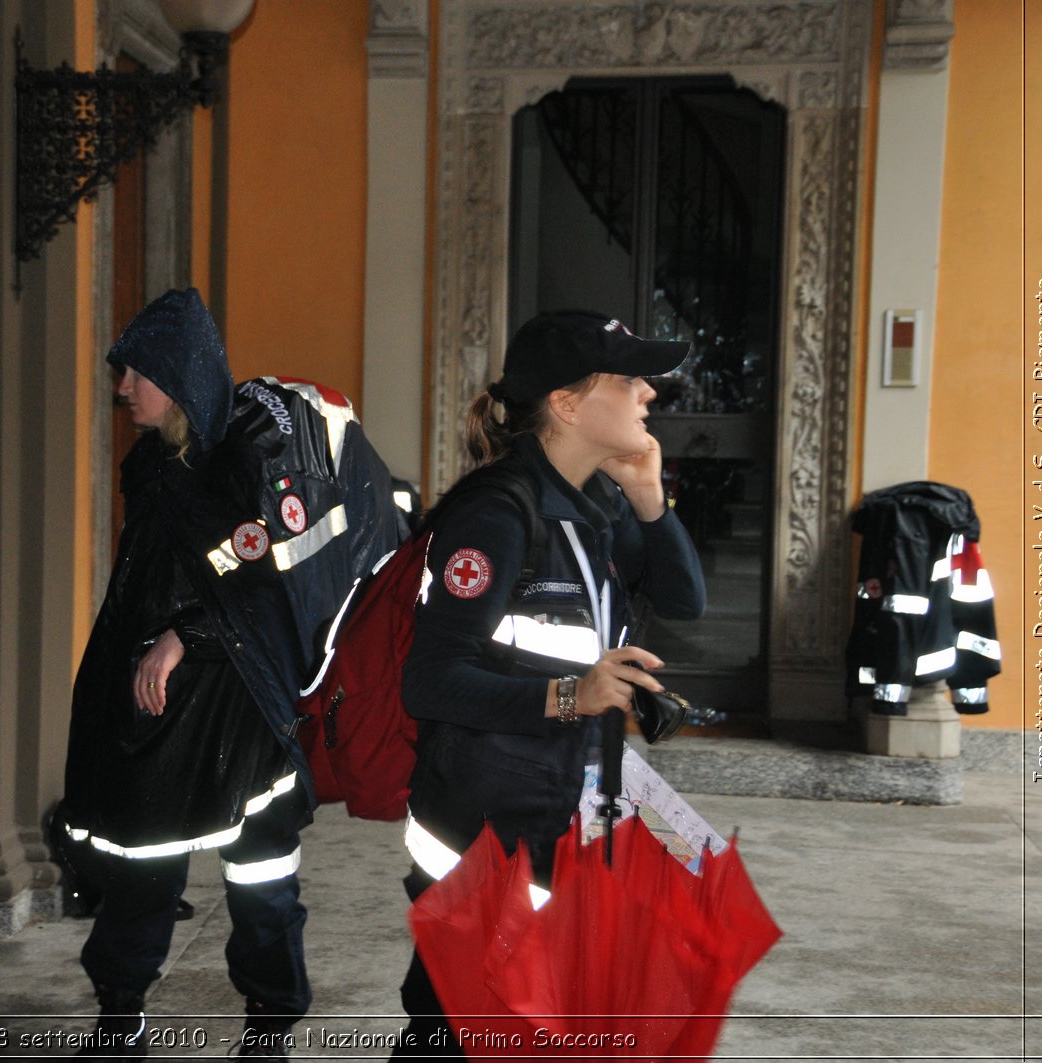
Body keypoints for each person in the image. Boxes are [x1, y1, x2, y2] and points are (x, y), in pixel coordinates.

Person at [59, 288, 402, 1060]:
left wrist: (190, 635)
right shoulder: (148, 463)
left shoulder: (249, 462)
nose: (122, 389)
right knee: (140, 865)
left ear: (176, 376)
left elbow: (255, 573)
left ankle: (268, 1031)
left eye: (136, 373)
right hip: (157, 714)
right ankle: (119, 1020)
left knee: (262, 876)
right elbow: (142, 579)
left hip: (244, 706)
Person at [392, 310, 707, 1056]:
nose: (648, 395)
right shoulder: (496, 514)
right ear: (567, 404)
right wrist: (573, 694)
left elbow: (686, 599)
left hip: (555, 803)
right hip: (483, 825)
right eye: (629, 379)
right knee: (458, 1023)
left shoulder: (590, 503)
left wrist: (649, 497)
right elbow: (430, 682)